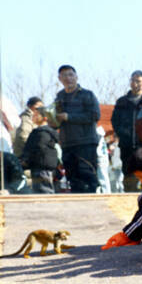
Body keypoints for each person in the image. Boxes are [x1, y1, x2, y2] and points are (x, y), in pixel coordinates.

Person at [51, 65, 101, 193]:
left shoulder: (87, 95)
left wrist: (69, 117)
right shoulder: (59, 97)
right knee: (73, 180)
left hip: (86, 143)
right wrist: (51, 119)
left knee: (88, 178)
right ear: (59, 79)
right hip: (67, 144)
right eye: (64, 75)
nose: (68, 78)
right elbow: (57, 121)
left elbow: (95, 115)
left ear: (76, 77)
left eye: (70, 75)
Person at [112, 70, 142, 192]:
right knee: (128, 176)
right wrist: (122, 133)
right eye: (132, 81)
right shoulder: (122, 101)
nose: (135, 84)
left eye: (138, 81)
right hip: (126, 146)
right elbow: (115, 120)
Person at [20, 107, 59, 194]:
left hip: (41, 167)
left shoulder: (42, 132)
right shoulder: (41, 132)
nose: (33, 117)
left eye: (36, 115)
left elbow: (39, 148)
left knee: (44, 191)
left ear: (45, 118)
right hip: (39, 166)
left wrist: (27, 160)